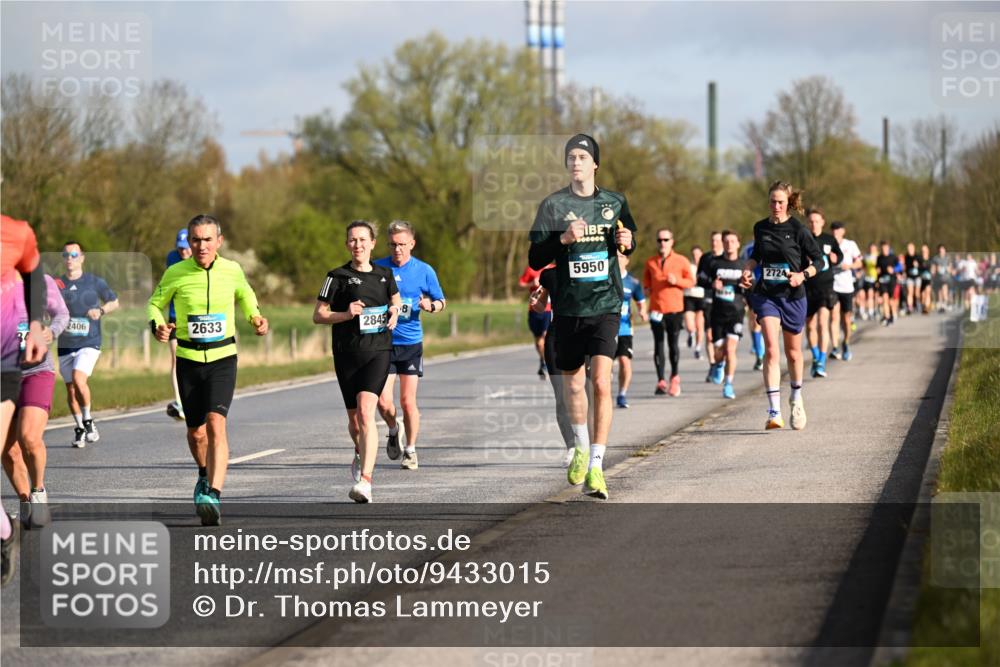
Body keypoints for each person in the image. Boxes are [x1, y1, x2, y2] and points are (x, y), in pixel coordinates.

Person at [528, 133, 636, 500]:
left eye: (582, 157)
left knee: (602, 383)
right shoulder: (553, 205)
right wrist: (562, 240)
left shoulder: (615, 202)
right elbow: (534, 257)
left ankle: (596, 465)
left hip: (606, 305)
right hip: (569, 309)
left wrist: (627, 243)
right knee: (574, 386)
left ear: (595, 165)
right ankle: (578, 445)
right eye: (571, 157)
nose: (576, 162)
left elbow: (629, 237)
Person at [147, 215, 269, 525]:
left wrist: (255, 316)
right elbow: (153, 304)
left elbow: (245, 294)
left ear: (219, 241)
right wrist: (158, 327)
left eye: (207, 239)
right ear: (189, 242)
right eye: (195, 240)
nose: (201, 245)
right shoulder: (176, 272)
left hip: (223, 357)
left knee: (216, 423)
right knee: (196, 432)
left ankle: (213, 494)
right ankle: (203, 474)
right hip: (188, 359)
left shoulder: (232, 269)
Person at [314, 220, 401, 503]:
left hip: (378, 352)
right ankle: (359, 450)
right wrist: (346, 314)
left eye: (363, 239)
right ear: (347, 244)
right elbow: (319, 315)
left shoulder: (385, 275)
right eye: (352, 240)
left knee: (366, 412)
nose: (358, 245)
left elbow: (396, 301)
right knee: (354, 422)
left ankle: (366, 482)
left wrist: (395, 312)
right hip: (347, 354)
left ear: (373, 243)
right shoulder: (336, 276)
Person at [740, 181, 824, 430]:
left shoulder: (798, 229)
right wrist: (747, 270)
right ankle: (773, 411)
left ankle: (796, 398)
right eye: (772, 202)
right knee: (771, 349)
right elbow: (756, 256)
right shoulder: (760, 227)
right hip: (767, 295)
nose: (776, 206)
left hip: (793, 296)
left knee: (794, 354)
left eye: (780, 202)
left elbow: (819, 260)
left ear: (788, 203)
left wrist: (802, 275)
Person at [373, 220, 445, 471]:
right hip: (383, 342)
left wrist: (431, 306)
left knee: (407, 401)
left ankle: (411, 450)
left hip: (410, 342)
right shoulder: (378, 268)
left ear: (412, 244)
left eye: (402, 244)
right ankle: (394, 429)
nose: (397, 250)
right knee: (382, 402)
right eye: (393, 245)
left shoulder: (424, 270)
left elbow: (441, 301)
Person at [1, 214, 48, 586]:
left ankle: (33, 496)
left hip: (11, 363)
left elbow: (37, 281)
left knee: (20, 442)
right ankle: (5, 530)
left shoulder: (16, 233)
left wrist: (36, 329)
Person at [2, 273, 68, 530]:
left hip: (37, 371)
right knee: (8, 449)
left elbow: (62, 313)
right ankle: (25, 500)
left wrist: (51, 332)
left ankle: (38, 490)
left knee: (29, 437)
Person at [56, 242, 119, 447]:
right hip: (66, 343)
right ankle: (80, 428)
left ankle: (89, 420)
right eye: (65, 254)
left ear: (82, 257)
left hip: (89, 342)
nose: (69, 258)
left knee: (78, 378)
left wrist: (100, 311)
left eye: (74, 254)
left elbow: (114, 301)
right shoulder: (57, 284)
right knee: (71, 390)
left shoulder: (94, 281)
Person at [643, 229, 694, 396]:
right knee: (658, 345)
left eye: (666, 240)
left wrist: (677, 281)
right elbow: (646, 283)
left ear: (672, 241)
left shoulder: (681, 260)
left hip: (675, 309)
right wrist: (645, 291)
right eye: (659, 240)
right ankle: (660, 381)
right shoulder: (650, 262)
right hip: (656, 310)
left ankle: (675, 377)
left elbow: (691, 282)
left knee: (673, 344)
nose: (662, 243)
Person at [804, 208, 843, 378]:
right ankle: (815, 356)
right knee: (810, 325)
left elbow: (839, 256)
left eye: (816, 221)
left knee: (822, 323)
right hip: (807, 288)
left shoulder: (829, 239)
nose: (813, 224)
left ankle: (821, 360)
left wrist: (836, 258)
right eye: (811, 221)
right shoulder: (803, 239)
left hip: (826, 287)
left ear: (822, 222)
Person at [708, 230, 746, 399]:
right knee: (718, 351)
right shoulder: (714, 263)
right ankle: (718, 364)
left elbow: (752, 286)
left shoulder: (744, 265)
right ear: (722, 244)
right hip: (717, 312)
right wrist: (711, 284)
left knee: (730, 350)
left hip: (736, 313)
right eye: (726, 241)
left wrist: (747, 287)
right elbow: (701, 279)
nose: (729, 244)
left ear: (738, 243)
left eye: (733, 241)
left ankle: (728, 384)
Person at [165, 229, 193, 421]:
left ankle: (195, 398)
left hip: (195, 317)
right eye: (180, 248)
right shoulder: (171, 258)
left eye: (186, 248)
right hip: (175, 317)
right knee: (177, 360)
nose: (183, 252)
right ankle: (180, 403)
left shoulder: (201, 260)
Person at [615, 252, 647, 407]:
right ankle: (603, 395)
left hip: (625, 329)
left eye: (621, 257)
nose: (617, 259)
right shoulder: (605, 278)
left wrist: (643, 311)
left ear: (627, 260)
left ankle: (622, 394)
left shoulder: (632, 282)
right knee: (603, 368)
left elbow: (641, 301)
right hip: (605, 330)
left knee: (624, 361)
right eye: (614, 256)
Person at [829, 221, 862, 361]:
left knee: (846, 319)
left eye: (838, 229)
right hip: (832, 285)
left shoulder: (850, 244)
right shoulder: (828, 244)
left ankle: (846, 343)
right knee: (834, 317)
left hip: (847, 286)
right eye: (833, 230)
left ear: (843, 231)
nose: (835, 232)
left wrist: (849, 266)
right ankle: (835, 347)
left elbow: (859, 262)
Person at [696, 231, 725, 383]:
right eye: (712, 240)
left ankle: (722, 361)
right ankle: (713, 364)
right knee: (709, 335)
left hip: (726, 301)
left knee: (723, 337)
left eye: (717, 240)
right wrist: (710, 283)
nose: (714, 243)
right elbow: (699, 279)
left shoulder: (727, 257)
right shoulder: (705, 258)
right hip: (708, 298)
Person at [683, 245, 706, 359]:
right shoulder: (688, 266)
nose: (696, 256)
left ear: (702, 254)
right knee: (689, 322)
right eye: (694, 254)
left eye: (698, 254)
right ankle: (691, 333)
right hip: (689, 295)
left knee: (700, 324)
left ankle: (698, 348)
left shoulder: (705, 266)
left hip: (701, 296)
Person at [876, 241, 898, 326]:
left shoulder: (893, 257)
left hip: (891, 281)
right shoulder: (879, 258)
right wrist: (877, 279)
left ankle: (893, 313)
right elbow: (877, 269)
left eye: (886, 248)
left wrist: (893, 270)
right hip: (882, 281)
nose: (884, 250)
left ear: (888, 248)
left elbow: (900, 267)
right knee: (885, 298)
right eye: (883, 248)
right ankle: (887, 317)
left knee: (891, 300)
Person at [861, 243, 879, 321]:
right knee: (869, 294)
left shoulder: (878, 256)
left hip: (876, 278)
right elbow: (863, 266)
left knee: (876, 296)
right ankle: (870, 312)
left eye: (873, 248)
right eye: (871, 248)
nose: (872, 250)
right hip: (868, 278)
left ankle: (876, 309)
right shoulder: (866, 256)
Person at [930, 244, 950, 312]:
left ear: (945, 250)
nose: (941, 251)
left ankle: (945, 304)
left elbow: (950, 268)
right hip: (937, 278)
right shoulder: (935, 258)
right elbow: (933, 268)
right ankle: (941, 305)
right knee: (939, 292)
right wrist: (933, 271)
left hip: (945, 277)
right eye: (940, 250)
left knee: (944, 290)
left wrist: (947, 269)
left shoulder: (947, 258)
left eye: (943, 249)